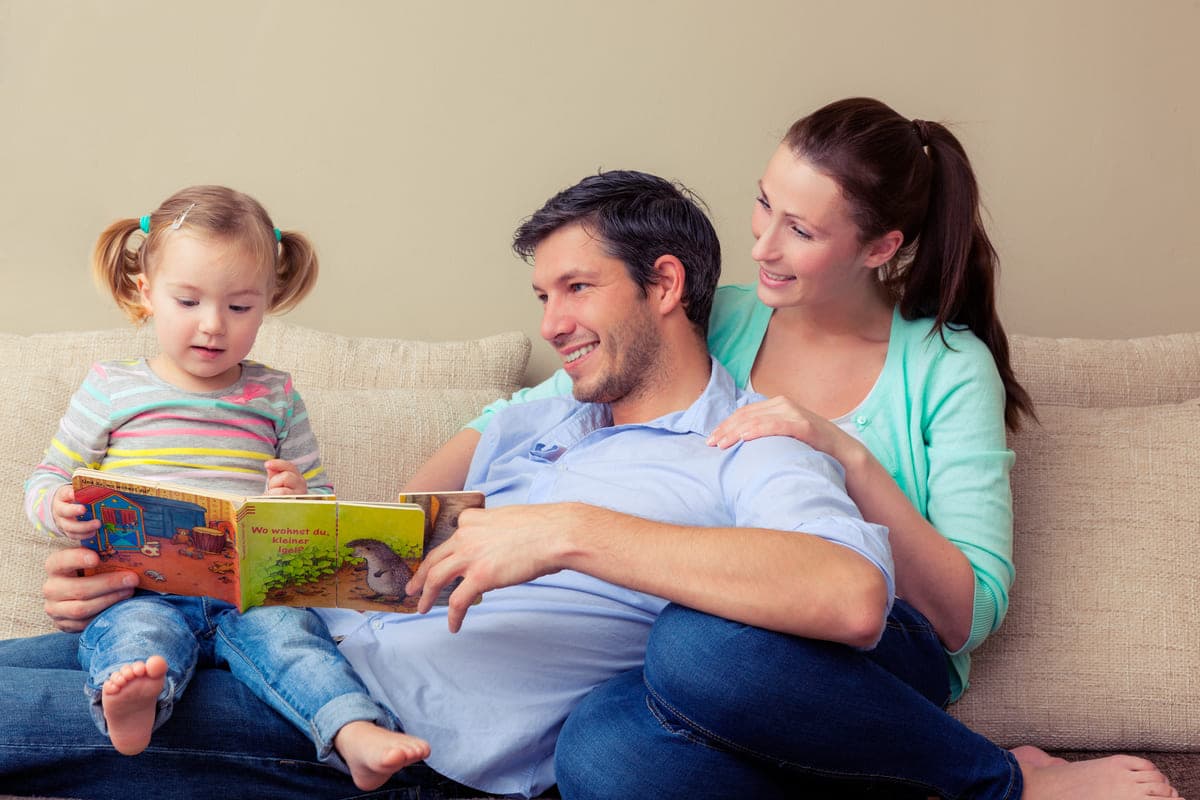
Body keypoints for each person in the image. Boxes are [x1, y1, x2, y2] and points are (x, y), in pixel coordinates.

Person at [0, 170, 894, 800]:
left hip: (386, 733)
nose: (553, 326)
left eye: (576, 289)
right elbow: (364, 543)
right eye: (543, 296)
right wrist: (137, 565)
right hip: (295, 640)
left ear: (664, 283)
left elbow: (851, 597)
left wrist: (571, 531)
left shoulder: (748, 442)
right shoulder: (535, 417)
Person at [407, 98, 1181, 800]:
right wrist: (400, 525)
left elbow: (962, 616)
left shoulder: (946, 366)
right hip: (720, 614)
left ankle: (998, 783)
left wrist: (846, 454)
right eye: (764, 204)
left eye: (801, 231)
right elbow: (524, 411)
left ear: (880, 248)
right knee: (600, 755)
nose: (765, 247)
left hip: (863, 654)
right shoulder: (726, 320)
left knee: (700, 646)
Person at [21, 185, 429, 790]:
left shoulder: (276, 395)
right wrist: (58, 507)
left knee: (297, 644)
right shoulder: (112, 388)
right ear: (146, 293)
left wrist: (299, 499)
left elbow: (321, 502)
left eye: (240, 308)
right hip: (142, 588)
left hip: (252, 596)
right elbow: (47, 479)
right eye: (188, 301)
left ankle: (354, 731)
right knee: (138, 641)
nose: (213, 326)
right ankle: (133, 704)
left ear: (269, 301)